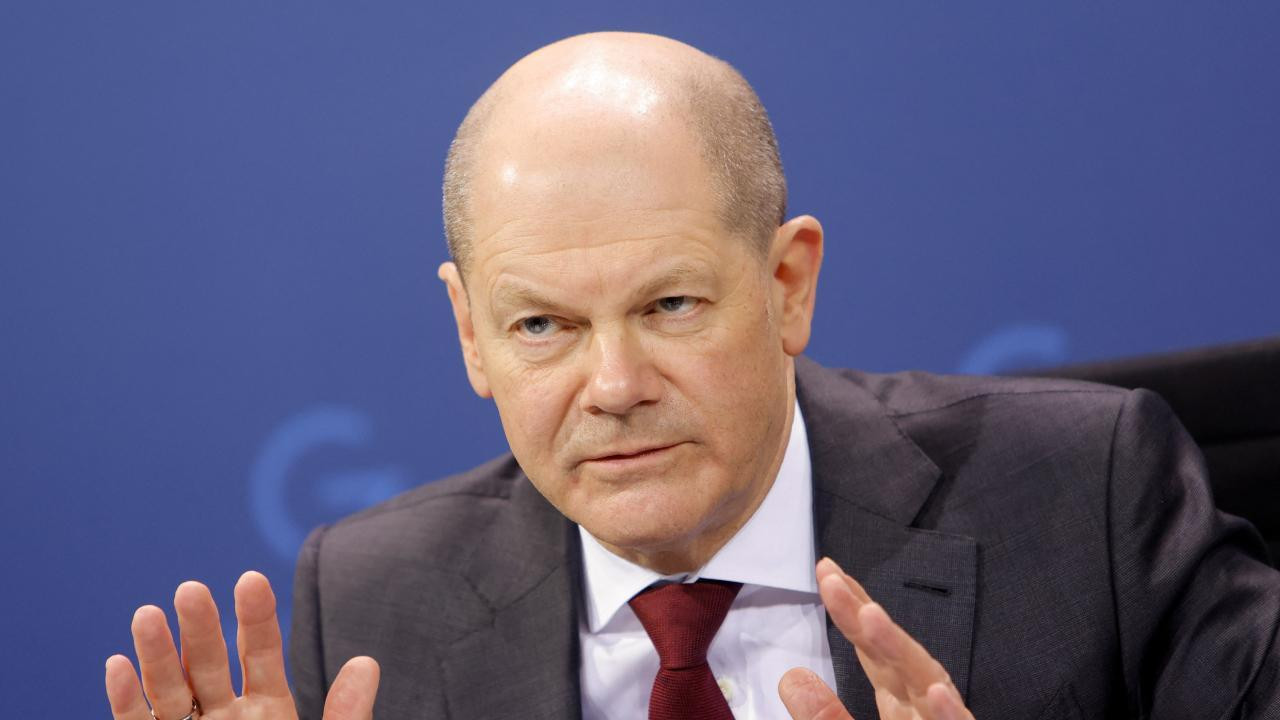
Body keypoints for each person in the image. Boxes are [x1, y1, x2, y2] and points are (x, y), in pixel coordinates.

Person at [104, 32, 1280, 720]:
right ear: (469, 335)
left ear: (786, 284)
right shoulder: (371, 602)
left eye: (668, 306)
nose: (613, 384)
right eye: (542, 325)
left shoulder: (1082, 498)